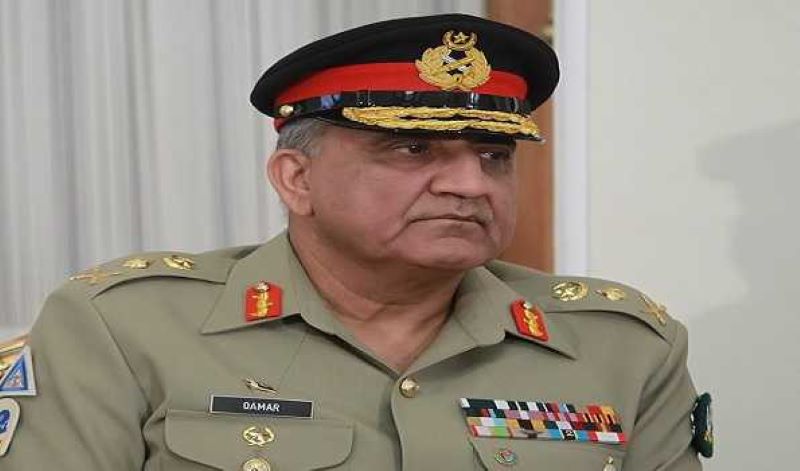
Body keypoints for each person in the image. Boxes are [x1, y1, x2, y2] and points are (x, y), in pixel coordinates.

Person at [0, 14, 712, 470]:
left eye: (494, 156)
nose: (469, 183)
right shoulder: (125, 327)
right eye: (412, 150)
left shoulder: (622, 346)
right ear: (296, 178)